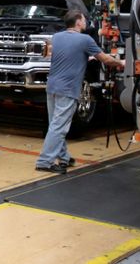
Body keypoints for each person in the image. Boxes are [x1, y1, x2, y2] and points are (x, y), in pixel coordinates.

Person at [35, 10, 125, 174]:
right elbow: (106, 59)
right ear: (78, 22)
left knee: (55, 124)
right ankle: (44, 161)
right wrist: (123, 62)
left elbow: (63, 54)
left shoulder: (57, 37)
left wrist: (84, 57)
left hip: (52, 86)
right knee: (59, 127)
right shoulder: (85, 40)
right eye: (84, 19)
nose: (86, 22)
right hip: (68, 88)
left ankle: (64, 157)